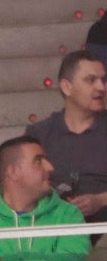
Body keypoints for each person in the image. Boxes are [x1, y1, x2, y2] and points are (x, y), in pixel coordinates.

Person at [29, 51, 107, 220]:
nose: (101, 87)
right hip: (55, 230)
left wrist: (100, 200)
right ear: (66, 87)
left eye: (104, 80)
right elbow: (24, 187)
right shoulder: (39, 134)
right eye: (91, 80)